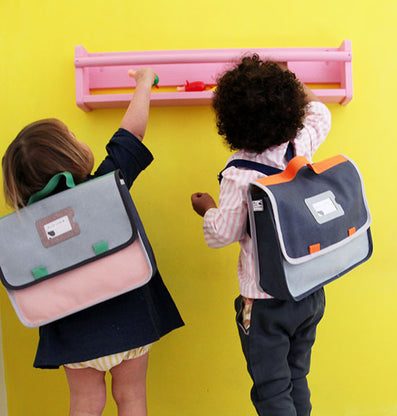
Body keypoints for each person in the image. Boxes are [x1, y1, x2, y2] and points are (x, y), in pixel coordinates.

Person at [2, 68, 184, 416]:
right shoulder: (106, 187)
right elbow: (132, 134)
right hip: (130, 321)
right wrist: (144, 83)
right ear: (69, 156)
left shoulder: (25, 230)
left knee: (86, 403)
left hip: (74, 335)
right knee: (131, 397)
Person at [191, 55, 331, 416]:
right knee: (296, 376)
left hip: (265, 301)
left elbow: (223, 233)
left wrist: (207, 209)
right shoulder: (298, 146)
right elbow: (320, 113)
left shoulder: (239, 175)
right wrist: (291, 81)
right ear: (290, 109)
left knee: (272, 390)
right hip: (308, 291)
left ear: (229, 122)